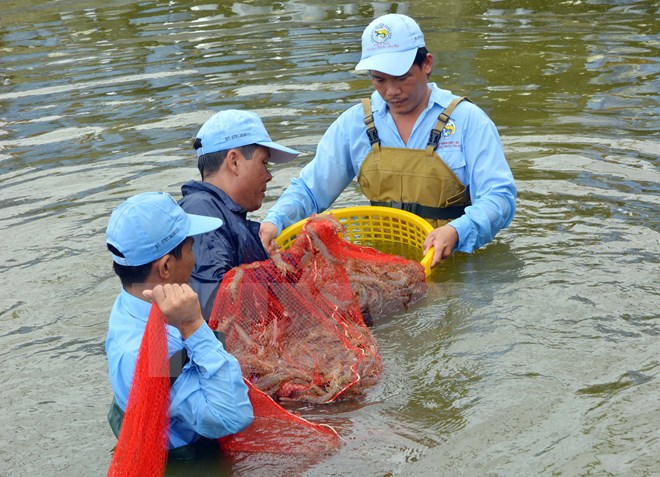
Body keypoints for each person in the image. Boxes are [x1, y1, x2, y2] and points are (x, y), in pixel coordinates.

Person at [259, 14, 516, 267]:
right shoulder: (355, 124)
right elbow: (311, 190)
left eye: (403, 78)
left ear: (426, 63)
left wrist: (458, 231)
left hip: (458, 260)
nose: (391, 91)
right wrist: (275, 220)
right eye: (379, 80)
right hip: (384, 263)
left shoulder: (468, 120)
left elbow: (499, 197)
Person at [105, 191, 253, 457]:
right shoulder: (153, 353)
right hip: (184, 458)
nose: (194, 257)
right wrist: (193, 324)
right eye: (190, 248)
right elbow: (233, 416)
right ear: (165, 268)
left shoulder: (129, 301)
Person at [178, 110, 299, 319]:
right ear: (234, 161)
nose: (269, 176)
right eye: (264, 163)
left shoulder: (221, 213)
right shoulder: (203, 213)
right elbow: (213, 308)